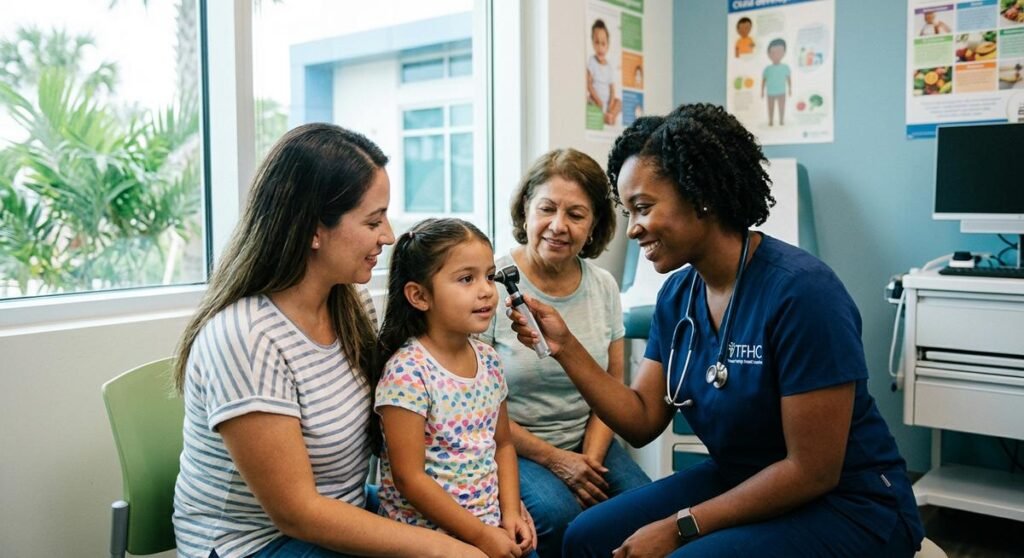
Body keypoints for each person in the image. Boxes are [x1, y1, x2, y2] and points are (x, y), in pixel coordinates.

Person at [504, 104, 925, 557]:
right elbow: (643, 419)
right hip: (744, 476)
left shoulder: (803, 294)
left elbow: (812, 470)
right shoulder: (679, 294)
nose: (632, 230)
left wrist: (681, 526)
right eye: (627, 212)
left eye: (643, 208)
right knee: (585, 537)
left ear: (699, 195)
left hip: (850, 503)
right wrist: (564, 346)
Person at [172, 124, 486, 558]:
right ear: (314, 230)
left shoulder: (349, 299)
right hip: (259, 544)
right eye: (373, 220)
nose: (389, 235)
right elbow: (297, 513)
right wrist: (442, 548)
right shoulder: (246, 337)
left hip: (341, 509)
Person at [481, 149, 650, 557]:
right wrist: (559, 462)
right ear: (525, 212)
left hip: (589, 441)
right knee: (560, 513)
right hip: (514, 445)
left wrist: (587, 460)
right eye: (547, 209)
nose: (558, 226)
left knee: (647, 508)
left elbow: (612, 386)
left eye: (575, 215)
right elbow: (480, 407)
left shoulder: (604, 286)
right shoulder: (489, 284)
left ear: (593, 227)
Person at [375, 218, 537, 558]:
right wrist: (481, 536)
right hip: (429, 543)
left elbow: (503, 444)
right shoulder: (408, 372)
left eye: (489, 276)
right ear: (419, 296)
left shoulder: (489, 360)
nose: (486, 290)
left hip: (489, 528)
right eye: (467, 279)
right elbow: (409, 479)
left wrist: (509, 515)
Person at [587, 19, 622, 126]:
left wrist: (611, 104)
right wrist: (597, 100)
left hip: (607, 102)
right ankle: (605, 117)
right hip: (596, 100)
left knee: (619, 102)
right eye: (597, 42)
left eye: (603, 43)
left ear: (608, 45)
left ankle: (610, 115)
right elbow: (589, 84)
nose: (600, 47)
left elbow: (612, 88)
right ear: (592, 43)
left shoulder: (609, 67)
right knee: (588, 101)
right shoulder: (592, 62)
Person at [761, 38, 791, 127]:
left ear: (784, 53)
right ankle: (770, 121)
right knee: (770, 107)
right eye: (773, 52)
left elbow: (788, 79)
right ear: (769, 54)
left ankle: (781, 120)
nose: (776, 55)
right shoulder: (767, 69)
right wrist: (762, 91)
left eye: (779, 52)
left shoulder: (785, 67)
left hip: (782, 91)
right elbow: (764, 80)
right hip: (770, 92)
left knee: (782, 107)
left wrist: (790, 89)